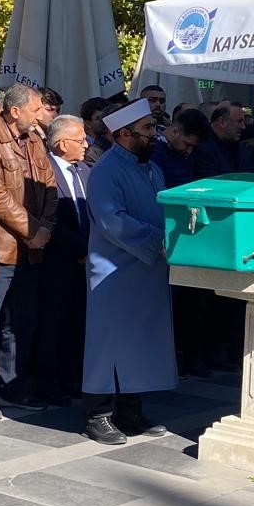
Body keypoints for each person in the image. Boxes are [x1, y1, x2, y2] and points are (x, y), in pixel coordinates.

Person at [82, 99, 173, 445]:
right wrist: (156, 240)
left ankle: (131, 410)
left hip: (148, 270)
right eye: (147, 128)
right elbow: (111, 220)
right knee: (108, 342)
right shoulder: (105, 170)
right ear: (124, 133)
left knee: (140, 341)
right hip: (114, 271)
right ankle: (97, 415)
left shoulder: (152, 169)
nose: (154, 134)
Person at [0, 83, 57, 418]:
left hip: (32, 248)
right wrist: (33, 230)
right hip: (1, 247)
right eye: (35, 109)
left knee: (20, 323)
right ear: (15, 111)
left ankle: (13, 384)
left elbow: (49, 186)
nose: (39, 115)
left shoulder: (34, 140)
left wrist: (44, 229)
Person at [37, 114, 90, 406]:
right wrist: (79, 247)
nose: (86, 144)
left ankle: (73, 378)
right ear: (61, 143)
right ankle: (50, 383)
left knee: (77, 323)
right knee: (53, 324)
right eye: (80, 140)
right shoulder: (45, 169)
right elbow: (49, 218)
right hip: (57, 260)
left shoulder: (85, 171)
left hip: (85, 261)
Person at [192, 104, 252, 178]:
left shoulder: (240, 147)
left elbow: (250, 175)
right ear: (222, 122)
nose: (243, 127)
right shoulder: (202, 149)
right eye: (239, 121)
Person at [153, 108, 207, 189]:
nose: (189, 151)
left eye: (193, 146)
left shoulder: (181, 151)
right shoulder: (155, 151)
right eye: (187, 144)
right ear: (174, 132)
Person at [79, 98, 112, 164]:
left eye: (107, 116)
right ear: (88, 123)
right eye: (98, 118)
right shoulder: (91, 154)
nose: (104, 121)